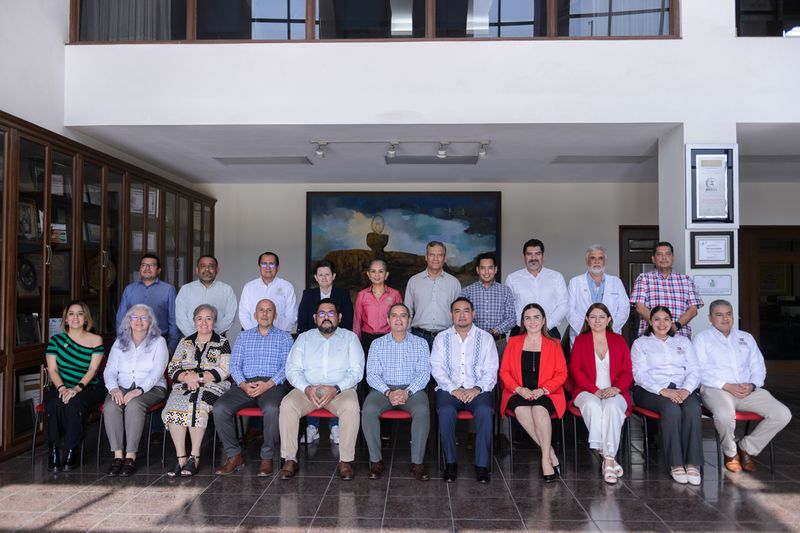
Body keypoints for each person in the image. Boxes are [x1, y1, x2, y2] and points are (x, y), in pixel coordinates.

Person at [694, 299, 792, 473]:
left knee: (782, 414)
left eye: (728, 314)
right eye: (719, 315)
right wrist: (726, 386)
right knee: (724, 415)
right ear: (710, 318)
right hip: (716, 389)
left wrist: (753, 384)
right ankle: (730, 454)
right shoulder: (702, 339)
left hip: (748, 390)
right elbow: (699, 372)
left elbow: (758, 366)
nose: (725, 318)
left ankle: (747, 447)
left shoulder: (745, 338)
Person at [278, 299, 364, 481]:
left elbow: (357, 371)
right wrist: (307, 388)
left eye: (331, 313)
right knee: (287, 404)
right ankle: (290, 458)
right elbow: (292, 370)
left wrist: (336, 388)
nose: (326, 317)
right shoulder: (304, 338)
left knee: (351, 407)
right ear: (315, 317)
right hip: (308, 390)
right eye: (322, 314)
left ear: (339, 317)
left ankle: (346, 460)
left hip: (340, 390)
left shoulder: (350, 338)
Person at [214, 299, 293, 477]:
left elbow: (287, 367)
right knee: (220, 408)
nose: (265, 314)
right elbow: (234, 365)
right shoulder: (244, 336)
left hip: (272, 384)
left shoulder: (284, 337)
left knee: (272, 409)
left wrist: (269, 384)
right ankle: (234, 455)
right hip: (245, 384)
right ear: (255, 315)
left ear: (275, 315)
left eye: (269, 310)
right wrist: (243, 384)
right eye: (261, 310)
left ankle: (267, 457)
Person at [631, 306, 703, 485]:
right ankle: (676, 463)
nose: (661, 323)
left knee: (693, 408)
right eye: (657, 319)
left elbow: (694, 369)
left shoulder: (683, 342)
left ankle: (692, 463)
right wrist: (663, 390)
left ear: (672, 322)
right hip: (650, 391)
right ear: (650, 322)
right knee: (671, 410)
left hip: (682, 389)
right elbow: (639, 374)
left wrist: (686, 390)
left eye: (666, 319)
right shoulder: (641, 343)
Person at [431, 297, 498, 483]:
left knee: (485, 411)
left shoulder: (486, 338)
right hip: (449, 390)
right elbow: (437, 368)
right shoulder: (441, 338)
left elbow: (491, 370)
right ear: (451, 315)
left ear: (473, 314)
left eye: (466, 311)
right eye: (457, 311)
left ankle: (482, 465)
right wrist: (453, 389)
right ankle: (450, 463)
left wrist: (476, 389)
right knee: (445, 411)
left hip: (477, 390)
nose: (462, 315)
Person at [362, 303, 431, 481]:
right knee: (368, 410)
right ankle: (376, 461)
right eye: (394, 315)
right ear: (388, 320)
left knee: (423, 411)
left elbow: (424, 373)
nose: (399, 319)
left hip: (412, 390)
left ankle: (417, 462)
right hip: (383, 389)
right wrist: (388, 393)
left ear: (409, 320)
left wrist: (408, 391)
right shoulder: (377, 344)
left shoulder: (421, 343)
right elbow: (372, 374)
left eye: (403, 315)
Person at [500, 303, 567, 483]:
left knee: (539, 409)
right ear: (522, 322)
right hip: (517, 391)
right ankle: (550, 452)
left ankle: (545, 459)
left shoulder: (554, 343)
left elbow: (562, 374)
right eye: (527, 318)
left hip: (547, 392)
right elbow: (504, 372)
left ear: (543, 320)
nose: (532, 321)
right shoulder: (513, 342)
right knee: (521, 410)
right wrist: (519, 389)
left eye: (536, 317)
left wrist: (542, 390)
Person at [162, 304, 231, 476]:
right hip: (184, 384)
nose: (204, 322)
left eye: (208, 318)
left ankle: (195, 456)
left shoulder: (222, 342)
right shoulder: (185, 342)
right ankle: (181, 457)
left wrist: (197, 378)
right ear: (194, 321)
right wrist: (186, 378)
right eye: (200, 318)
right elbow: (172, 368)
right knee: (173, 406)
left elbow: (224, 370)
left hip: (213, 386)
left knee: (197, 405)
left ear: (214, 322)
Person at [569, 303, 632, 484]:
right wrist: (594, 390)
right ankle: (608, 457)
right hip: (587, 390)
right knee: (592, 406)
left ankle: (608, 458)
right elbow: (576, 370)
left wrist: (616, 388)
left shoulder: (618, 340)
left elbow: (627, 370)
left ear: (609, 320)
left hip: (616, 390)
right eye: (593, 317)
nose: (597, 320)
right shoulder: (581, 340)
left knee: (612, 407)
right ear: (587, 320)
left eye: (601, 317)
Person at [102, 304, 169, 476]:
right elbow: (109, 370)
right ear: (129, 321)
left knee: (134, 405)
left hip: (152, 388)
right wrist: (113, 388)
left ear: (150, 321)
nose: (139, 321)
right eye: (135, 317)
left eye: (144, 317)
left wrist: (139, 390)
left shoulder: (159, 342)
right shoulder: (119, 342)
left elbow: (158, 371)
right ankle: (118, 456)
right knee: (110, 406)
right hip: (122, 386)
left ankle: (130, 456)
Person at [43, 301, 105, 472]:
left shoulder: (96, 339)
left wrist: (77, 389)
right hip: (59, 386)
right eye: (71, 313)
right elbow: (53, 370)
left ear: (86, 318)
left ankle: (72, 450)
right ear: (66, 319)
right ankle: (53, 451)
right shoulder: (55, 341)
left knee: (74, 404)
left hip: (87, 387)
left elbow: (93, 369)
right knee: (54, 404)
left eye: (79, 313)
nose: (75, 317)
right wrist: (62, 389)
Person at [296, 260, 354, 445]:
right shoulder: (309, 294)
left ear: (333, 276)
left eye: (327, 274)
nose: (324, 278)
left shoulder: (342, 294)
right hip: (313, 345)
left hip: (338, 345)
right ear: (315, 277)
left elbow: (348, 321)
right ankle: (312, 426)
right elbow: (303, 322)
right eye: (320, 275)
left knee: (335, 379)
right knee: (314, 378)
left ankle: (335, 426)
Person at [630, 241, 703, 338]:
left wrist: (675, 326)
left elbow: (693, 310)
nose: (664, 258)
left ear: (673, 258)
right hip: (651, 338)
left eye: (668, 254)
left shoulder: (686, 280)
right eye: (659, 254)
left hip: (680, 337)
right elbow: (640, 307)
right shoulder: (643, 278)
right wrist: (661, 326)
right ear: (653, 259)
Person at [567, 245, 630, 345]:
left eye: (600, 258)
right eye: (593, 258)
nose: (597, 261)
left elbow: (624, 309)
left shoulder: (616, 282)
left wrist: (609, 329)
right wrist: (585, 330)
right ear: (587, 261)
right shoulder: (575, 282)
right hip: (582, 335)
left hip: (611, 334)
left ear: (605, 261)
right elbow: (569, 311)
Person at [505, 239, 568, 339]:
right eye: (529, 254)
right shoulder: (512, 278)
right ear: (524, 257)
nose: (533, 258)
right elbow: (509, 307)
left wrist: (546, 325)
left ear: (543, 256)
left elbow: (563, 305)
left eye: (537, 254)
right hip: (520, 330)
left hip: (549, 330)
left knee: (552, 355)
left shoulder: (556, 277)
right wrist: (526, 325)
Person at [116, 253, 180, 351]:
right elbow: (121, 317)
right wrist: (122, 340)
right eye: (144, 265)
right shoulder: (129, 289)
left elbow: (173, 319)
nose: (147, 268)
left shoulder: (168, 290)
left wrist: (171, 347)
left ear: (158, 270)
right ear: (140, 269)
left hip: (159, 341)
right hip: (132, 342)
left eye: (152, 266)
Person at [406, 241, 462, 349]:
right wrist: (408, 337)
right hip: (418, 336)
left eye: (439, 255)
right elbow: (408, 312)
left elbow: (458, 313)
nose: (435, 258)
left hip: (446, 337)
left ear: (444, 258)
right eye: (432, 255)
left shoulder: (454, 283)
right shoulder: (414, 281)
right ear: (426, 257)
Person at [459, 252, 516, 355]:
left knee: (500, 371)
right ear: (477, 270)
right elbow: (460, 317)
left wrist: (495, 330)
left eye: (490, 268)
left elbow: (511, 318)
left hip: (498, 342)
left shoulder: (505, 291)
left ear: (495, 269)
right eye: (482, 268)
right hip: (472, 341)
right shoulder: (466, 292)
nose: (486, 272)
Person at [175, 255, 238, 337]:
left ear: (217, 270)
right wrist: (194, 336)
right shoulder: (185, 289)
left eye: (211, 266)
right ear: (197, 270)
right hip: (189, 339)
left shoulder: (227, 290)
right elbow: (180, 317)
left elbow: (230, 316)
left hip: (218, 338)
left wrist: (212, 335)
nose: (207, 269)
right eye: (203, 266)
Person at [239, 251, 298, 332]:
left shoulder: (287, 287)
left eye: (271, 264)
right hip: (253, 337)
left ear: (278, 267)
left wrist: (278, 333)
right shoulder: (249, 287)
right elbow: (243, 315)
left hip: (279, 336)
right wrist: (254, 333)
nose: (267, 267)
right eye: (264, 264)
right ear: (259, 267)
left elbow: (292, 315)